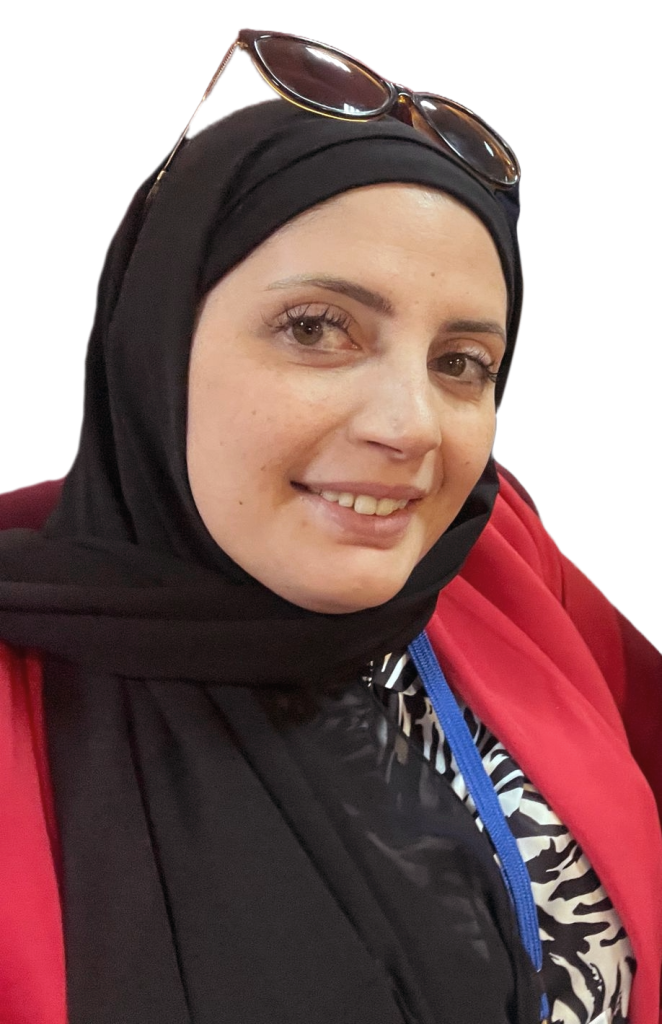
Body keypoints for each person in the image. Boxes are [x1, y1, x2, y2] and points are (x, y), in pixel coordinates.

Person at [0, 27, 660, 1024]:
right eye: (316, 328)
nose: (410, 427)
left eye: (460, 363)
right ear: (153, 340)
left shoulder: (493, 559)